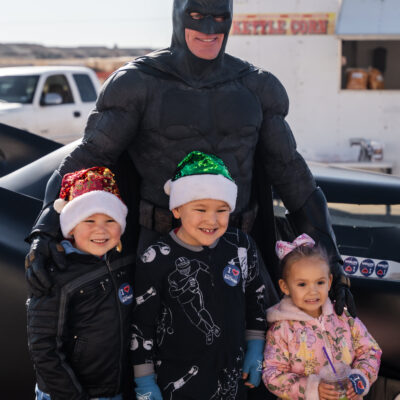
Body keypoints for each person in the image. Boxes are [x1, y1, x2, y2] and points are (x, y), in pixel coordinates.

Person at [25, 1, 355, 392]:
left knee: (262, 365)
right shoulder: (138, 83)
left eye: (220, 14)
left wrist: (330, 258)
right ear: (177, 13)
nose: (210, 26)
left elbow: (293, 175)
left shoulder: (256, 87)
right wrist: (45, 231)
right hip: (160, 252)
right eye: (197, 14)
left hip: (238, 252)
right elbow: (83, 161)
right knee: (152, 363)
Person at [132, 152, 268, 400]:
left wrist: (256, 345)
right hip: (178, 386)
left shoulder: (241, 245)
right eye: (200, 208)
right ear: (177, 209)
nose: (212, 220)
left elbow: (255, 297)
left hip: (233, 383)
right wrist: (144, 380)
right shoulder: (157, 258)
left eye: (222, 209)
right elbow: (143, 325)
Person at [27, 167, 135, 400]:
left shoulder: (123, 262)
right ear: (71, 227)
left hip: (113, 391)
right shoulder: (56, 275)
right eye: (89, 220)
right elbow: (43, 348)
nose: (101, 229)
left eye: (110, 219)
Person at [262, 234, 382, 400]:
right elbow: (272, 375)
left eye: (319, 282)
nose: (313, 291)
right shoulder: (281, 330)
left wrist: (360, 377)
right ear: (285, 287)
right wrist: (312, 388)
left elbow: (371, 350)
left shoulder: (342, 317)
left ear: (330, 281)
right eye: (302, 284)